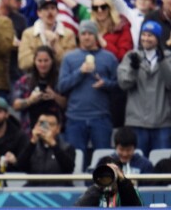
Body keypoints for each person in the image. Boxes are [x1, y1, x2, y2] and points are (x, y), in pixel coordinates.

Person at [57, 19, 118, 152]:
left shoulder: (109, 57)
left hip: (101, 117)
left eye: (90, 33)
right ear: (79, 36)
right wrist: (80, 72)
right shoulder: (69, 58)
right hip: (75, 118)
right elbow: (62, 86)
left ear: (96, 36)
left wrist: (105, 83)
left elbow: (119, 86)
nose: (87, 37)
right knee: (75, 160)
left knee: (103, 158)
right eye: (83, 33)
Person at [117, 21, 171, 156]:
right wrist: (134, 70)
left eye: (150, 35)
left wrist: (163, 62)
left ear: (158, 38)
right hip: (137, 122)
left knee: (162, 164)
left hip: (161, 123)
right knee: (138, 164)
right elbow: (124, 84)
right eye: (144, 34)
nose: (146, 38)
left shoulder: (168, 57)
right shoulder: (131, 56)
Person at [12, 46, 68, 132]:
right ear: (34, 61)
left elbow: (67, 104)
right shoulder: (25, 80)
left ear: (52, 61)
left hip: (56, 129)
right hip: (30, 127)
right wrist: (30, 100)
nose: (43, 64)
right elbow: (15, 105)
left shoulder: (60, 80)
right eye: (39, 61)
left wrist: (54, 96)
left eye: (46, 61)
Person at [18, 112, 76, 186]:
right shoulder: (30, 146)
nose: (46, 128)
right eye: (42, 124)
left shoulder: (67, 147)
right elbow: (20, 166)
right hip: (34, 190)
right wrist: (32, 142)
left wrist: (52, 143)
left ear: (58, 128)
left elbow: (69, 169)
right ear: (36, 126)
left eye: (51, 125)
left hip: (59, 190)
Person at [76, 158, 142, 207]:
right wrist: (98, 186)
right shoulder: (94, 192)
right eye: (104, 175)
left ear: (121, 173)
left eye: (110, 174)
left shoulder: (129, 191)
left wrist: (123, 181)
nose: (107, 178)